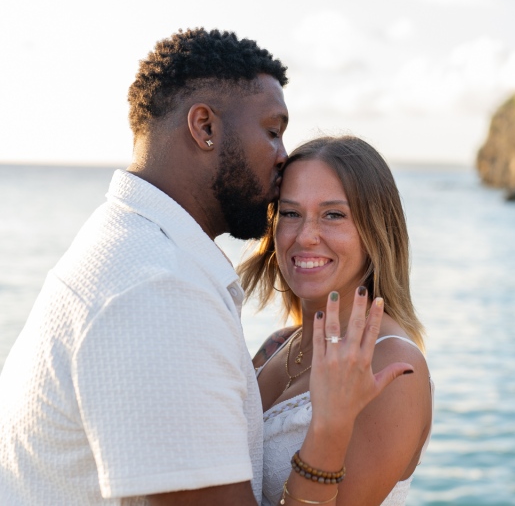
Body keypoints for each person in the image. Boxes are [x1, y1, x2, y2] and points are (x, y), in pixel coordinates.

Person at [0, 29, 411, 506]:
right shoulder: (158, 292)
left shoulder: (129, 249)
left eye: (334, 214)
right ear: (205, 127)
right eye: (272, 131)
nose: (282, 156)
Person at [238, 136, 433, 506]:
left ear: (376, 231)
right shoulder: (276, 346)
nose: (306, 236)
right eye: (291, 213)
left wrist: (329, 426)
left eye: (333, 215)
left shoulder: (393, 368)